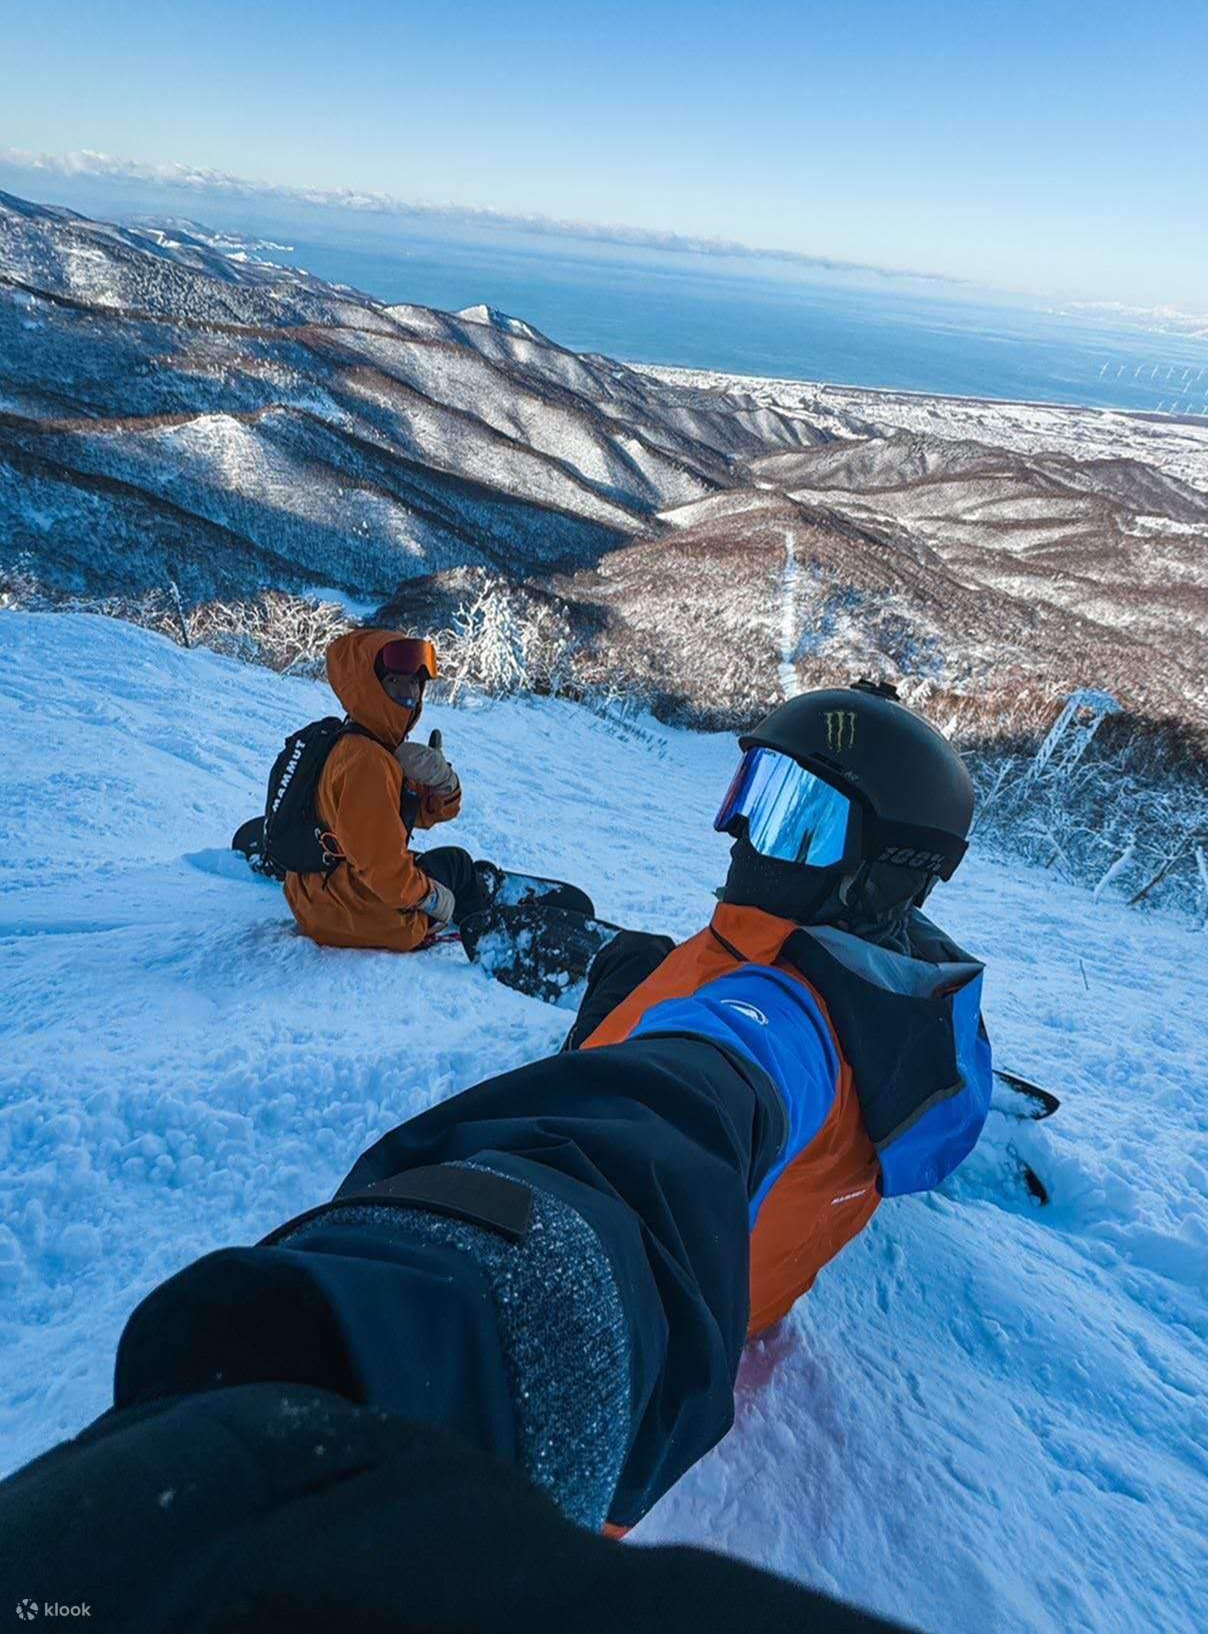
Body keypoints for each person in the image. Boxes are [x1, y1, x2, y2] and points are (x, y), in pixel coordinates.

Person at [3, 686, 987, 1625]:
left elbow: (664, 1118)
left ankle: (529, 946)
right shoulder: (916, 1015)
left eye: (791, 817)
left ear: (880, 872)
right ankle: (577, 958)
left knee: (630, 991)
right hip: (734, 1251)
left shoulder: (766, 1019)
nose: (738, 832)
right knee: (634, 962)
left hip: (613, 1345)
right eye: (749, 795)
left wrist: (425, 1320)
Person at [242, 627, 493, 948]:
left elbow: (412, 813)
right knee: (455, 863)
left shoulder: (355, 743)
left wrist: (443, 783)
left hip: (314, 894)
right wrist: (432, 899)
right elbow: (386, 873)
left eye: (415, 683)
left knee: (427, 862)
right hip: (358, 914)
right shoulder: (369, 762)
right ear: (368, 686)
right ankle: (487, 926)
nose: (410, 694)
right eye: (395, 682)